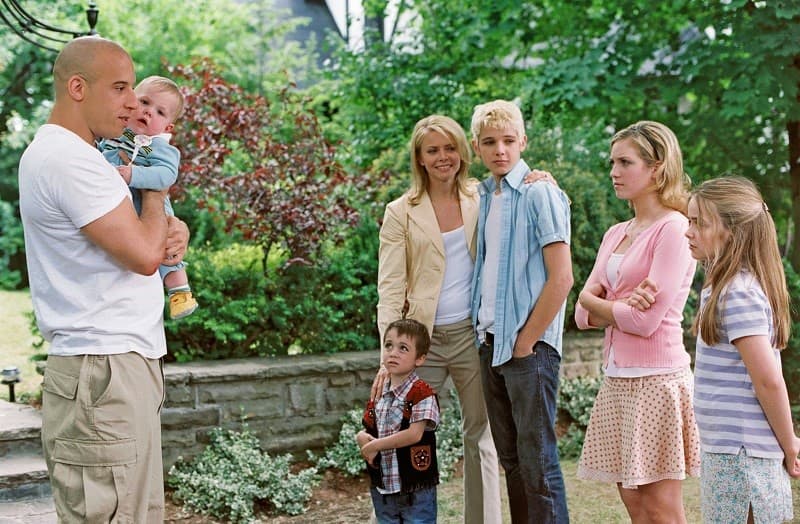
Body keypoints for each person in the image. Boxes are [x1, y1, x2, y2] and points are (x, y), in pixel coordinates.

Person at [17, 36, 189, 523]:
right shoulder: (68, 159)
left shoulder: (87, 157)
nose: (133, 102)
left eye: (133, 88)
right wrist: (158, 184)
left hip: (114, 367)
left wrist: (173, 229)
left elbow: (146, 238)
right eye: (119, 88)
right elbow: (144, 255)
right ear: (78, 87)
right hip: (103, 370)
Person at [374, 114, 555, 523]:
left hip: (473, 337)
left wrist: (544, 181)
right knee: (402, 434)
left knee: (481, 437)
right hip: (422, 341)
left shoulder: (484, 195)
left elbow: (534, 210)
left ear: (462, 151)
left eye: (450, 148)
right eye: (433, 150)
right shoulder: (400, 212)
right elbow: (390, 287)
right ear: (419, 158)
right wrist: (390, 354)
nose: (443, 157)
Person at [574, 120, 700, 523]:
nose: (614, 171)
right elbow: (581, 315)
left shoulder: (675, 229)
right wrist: (614, 305)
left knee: (662, 508)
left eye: (625, 162)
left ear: (657, 168)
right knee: (634, 503)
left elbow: (644, 323)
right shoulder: (616, 233)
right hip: (618, 379)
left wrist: (597, 301)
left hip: (657, 381)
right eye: (612, 162)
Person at [469, 100, 573, 524]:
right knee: (512, 461)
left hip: (529, 348)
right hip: (490, 343)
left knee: (538, 463)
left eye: (509, 141)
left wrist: (526, 341)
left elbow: (562, 277)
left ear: (523, 142)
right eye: (490, 142)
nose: (500, 150)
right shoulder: (484, 196)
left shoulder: (538, 192)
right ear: (476, 147)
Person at [686, 176, 800, 523]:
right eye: (689, 221)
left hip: (743, 451)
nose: (688, 232)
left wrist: (790, 442)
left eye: (699, 224)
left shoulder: (738, 292)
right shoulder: (721, 288)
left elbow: (768, 381)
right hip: (727, 449)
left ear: (732, 233)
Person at [99, 75, 198, 320]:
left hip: (150, 204)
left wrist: (133, 174)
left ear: (168, 128)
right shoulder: (116, 134)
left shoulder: (157, 147)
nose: (149, 112)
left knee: (167, 246)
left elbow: (166, 175)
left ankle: (179, 292)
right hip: (122, 211)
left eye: (160, 112)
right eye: (144, 102)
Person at [358, 318, 441, 524]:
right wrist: (362, 437)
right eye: (389, 345)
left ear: (419, 359)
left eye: (403, 348)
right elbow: (370, 429)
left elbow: (414, 434)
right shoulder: (379, 393)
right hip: (384, 487)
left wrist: (376, 445)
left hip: (415, 490)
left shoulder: (421, 393)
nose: (393, 353)